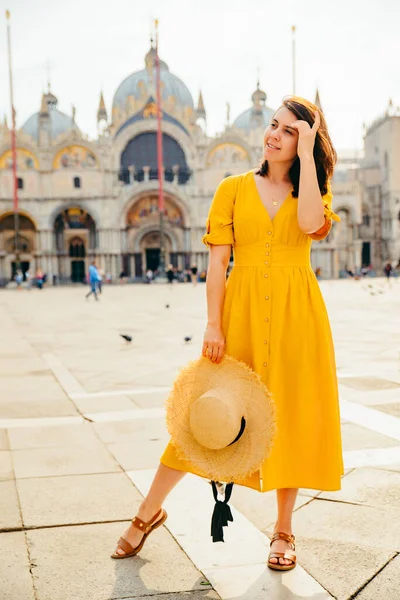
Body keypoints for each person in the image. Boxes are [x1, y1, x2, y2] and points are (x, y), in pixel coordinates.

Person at [112, 96, 344, 571]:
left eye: (287, 131)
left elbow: (307, 225)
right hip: (238, 314)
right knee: (203, 415)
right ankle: (146, 511)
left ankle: (283, 530)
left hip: (297, 315)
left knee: (290, 417)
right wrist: (213, 324)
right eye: (273, 126)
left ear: (304, 141)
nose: (273, 135)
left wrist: (304, 159)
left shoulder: (313, 193)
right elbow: (217, 265)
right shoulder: (232, 189)